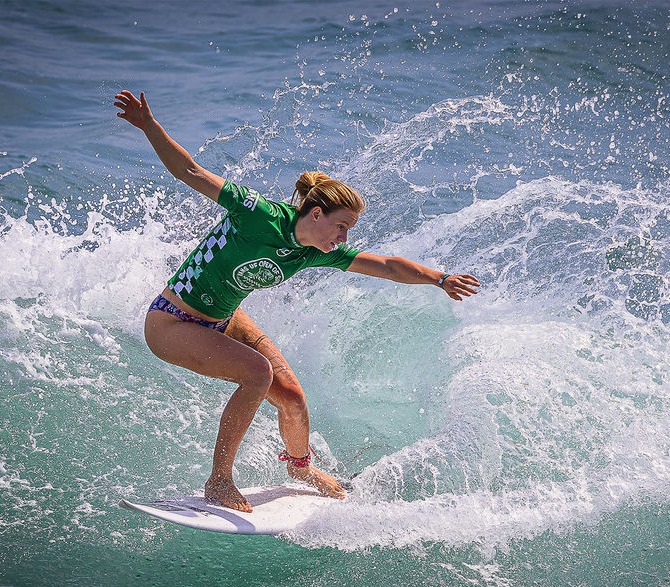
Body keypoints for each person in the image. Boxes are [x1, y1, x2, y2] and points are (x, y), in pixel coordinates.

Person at [114, 90, 481, 512]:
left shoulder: (315, 250)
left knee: (290, 393)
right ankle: (218, 480)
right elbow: (190, 171)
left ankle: (300, 467)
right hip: (172, 322)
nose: (344, 238)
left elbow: (388, 266)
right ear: (316, 214)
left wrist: (441, 278)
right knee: (257, 373)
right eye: (341, 227)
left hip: (223, 316)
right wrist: (149, 125)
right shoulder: (260, 214)